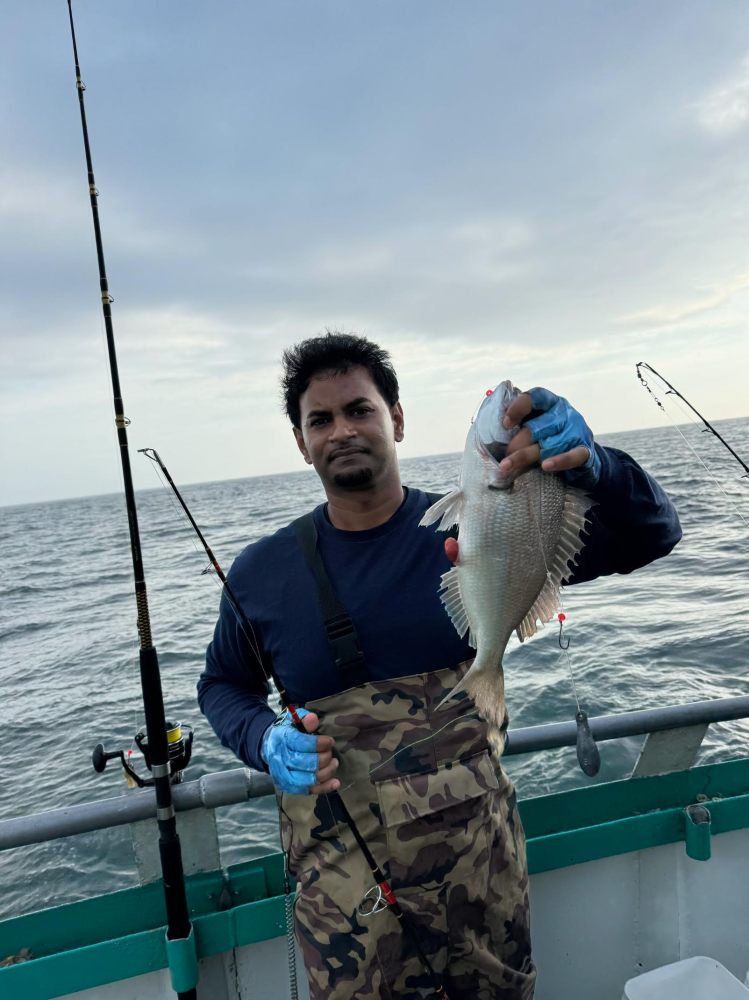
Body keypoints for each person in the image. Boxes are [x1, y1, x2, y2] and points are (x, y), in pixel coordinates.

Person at [198, 332, 681, 1000]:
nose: (342, 430)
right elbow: (222, 685)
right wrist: (261, 740)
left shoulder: (478, 528)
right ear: (300, 441)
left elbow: (655, 531)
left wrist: (595, 464)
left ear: (395, 419)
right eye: (320, 419)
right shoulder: (261, 575)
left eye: (359, 409)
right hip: (348, 918)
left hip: (486, 888)